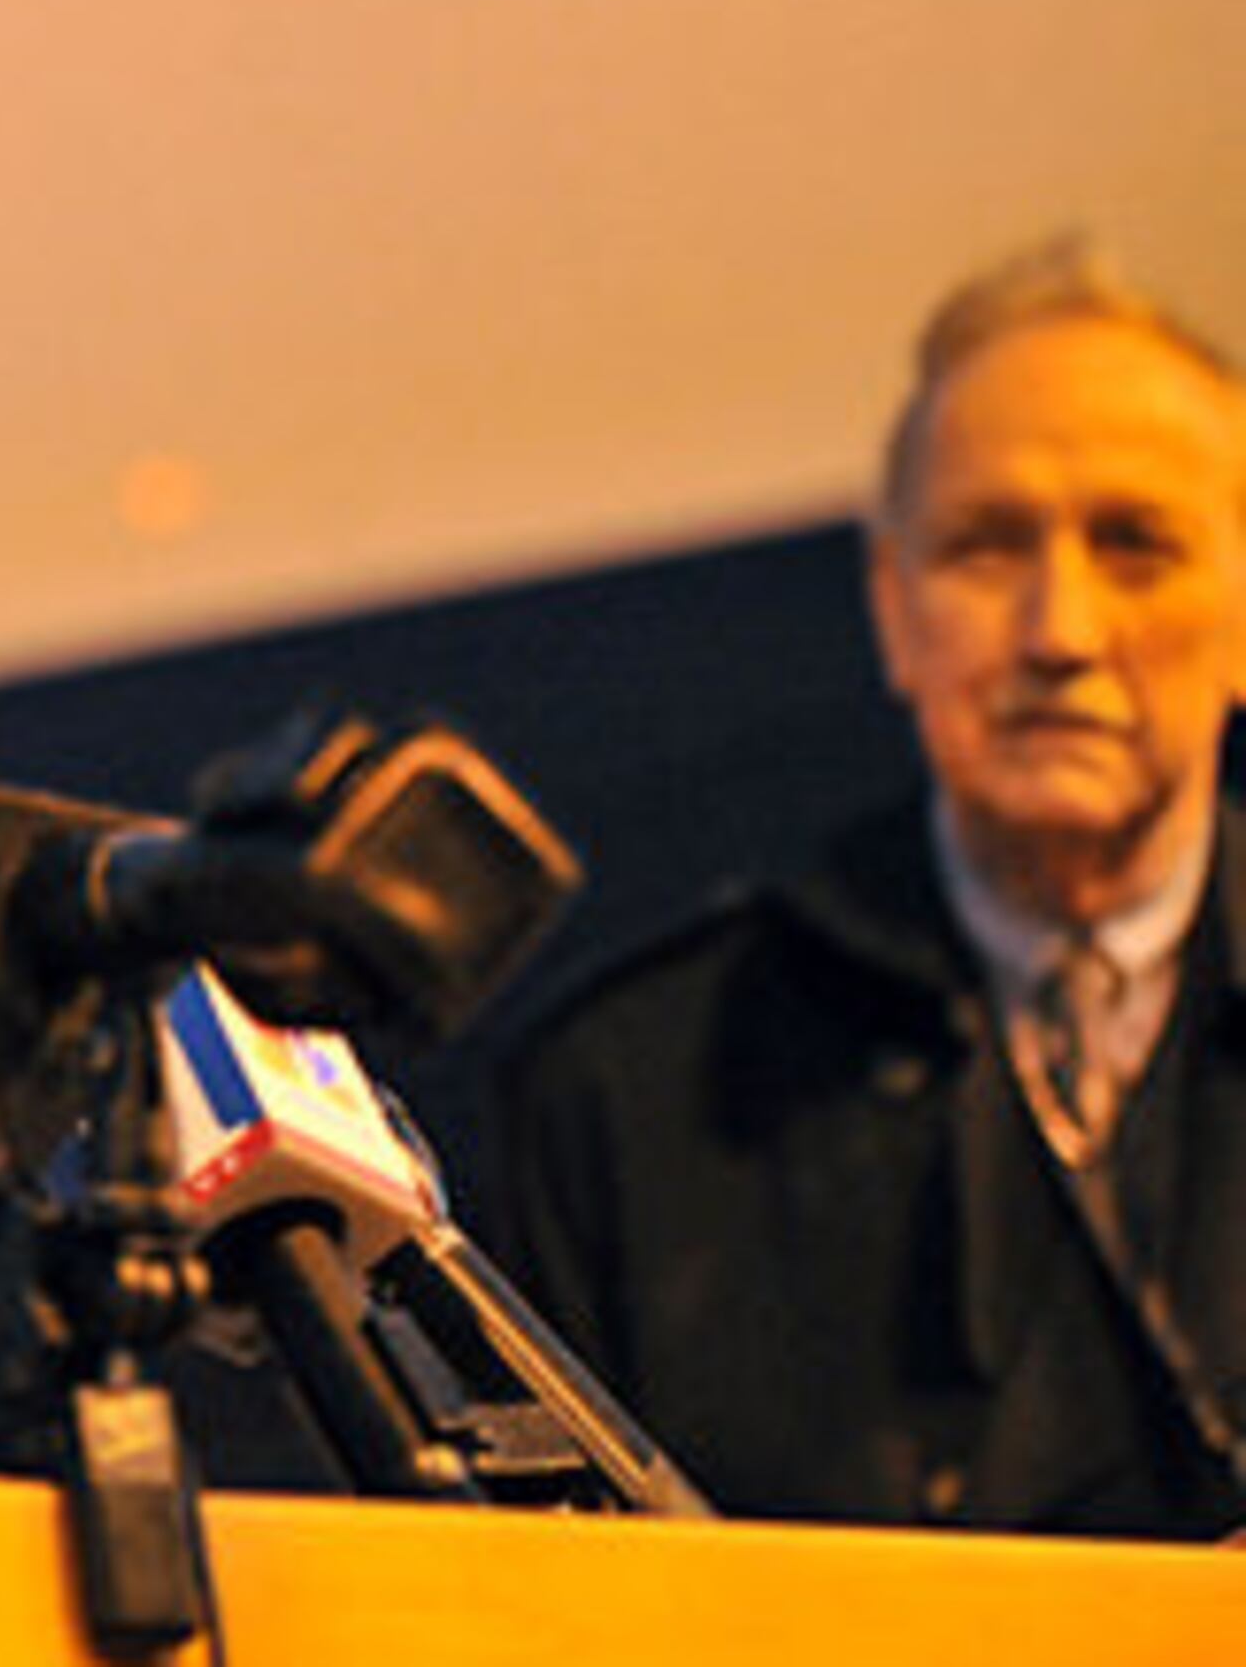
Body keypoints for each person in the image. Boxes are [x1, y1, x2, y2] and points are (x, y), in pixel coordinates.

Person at [500, 235, 1246, 1537]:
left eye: (1135, 545)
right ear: (893, 611)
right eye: (986, 550)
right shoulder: (631, 1094)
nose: (1061, 631)